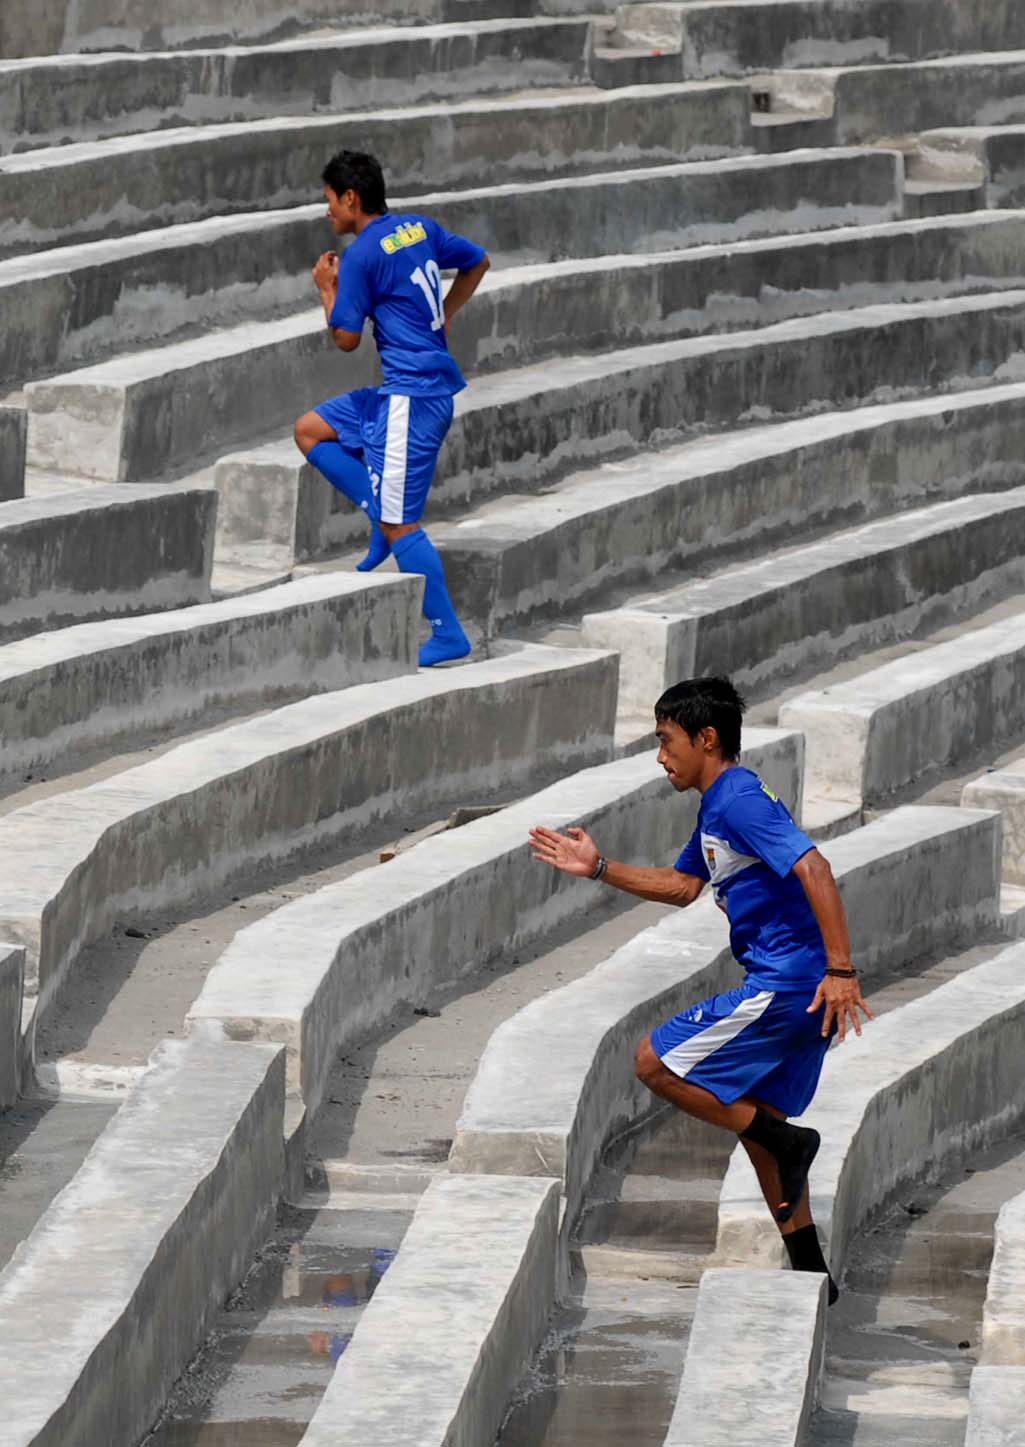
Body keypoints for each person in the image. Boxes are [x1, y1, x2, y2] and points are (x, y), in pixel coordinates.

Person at [528, 675, 872, 1302]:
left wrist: (841, 971)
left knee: (653, 1062)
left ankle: (791, 1142)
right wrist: (598, 867)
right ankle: (814, 1276)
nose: (661, 757)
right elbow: (685, 886)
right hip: (796, 984)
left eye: (667, 741)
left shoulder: (738, 799)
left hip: (791, 982)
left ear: (706, 738)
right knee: (757, 1121)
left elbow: (815, 866)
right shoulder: (717, 805)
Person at [294, 149, 490, 667]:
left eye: (330, 201)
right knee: (310, 431)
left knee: (403, 523)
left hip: (412, 398)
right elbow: (478, 261)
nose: (328, 212)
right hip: (401, 392)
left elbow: (345, 339)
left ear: (351, 197)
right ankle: (378, 520)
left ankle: (447, 633)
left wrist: (326, 289)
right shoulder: (419, 228)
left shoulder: (359, 255)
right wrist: (444, 315)